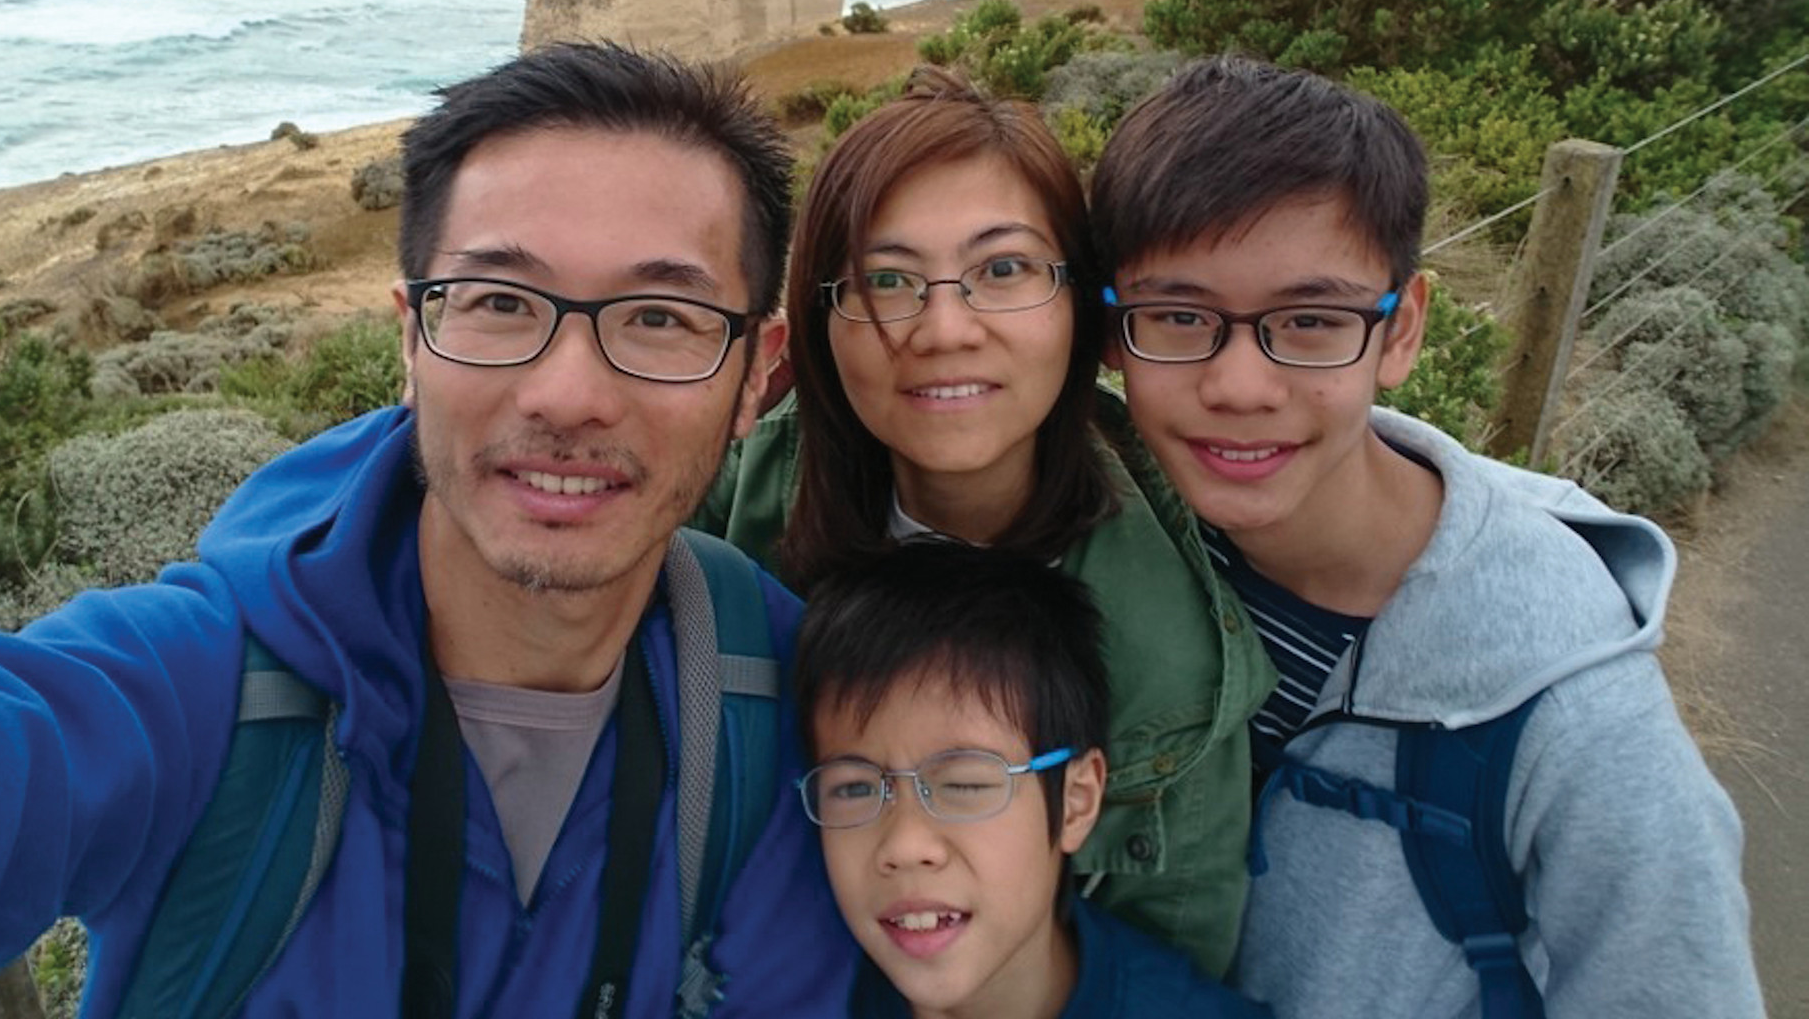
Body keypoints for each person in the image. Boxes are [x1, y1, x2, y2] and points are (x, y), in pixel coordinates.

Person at [0, 42, 858, 1017]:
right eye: (499, 303)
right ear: (409, 339)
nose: (569, 395)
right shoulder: (207, 691)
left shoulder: (796, 719)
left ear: (755, 374)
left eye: (658, 316)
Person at [1092, 55, 1763, 1017]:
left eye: (1312, 319)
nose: (1240, 387)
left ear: (1401, 330)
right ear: (1116, 334)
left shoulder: (1575, 724)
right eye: (1180, 316)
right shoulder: (1106, 540)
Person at [692, 66, 1274, 979]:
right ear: (819, 322)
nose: (946, 328)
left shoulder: (1166, 675)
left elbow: (1160, 970)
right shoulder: (742, 486)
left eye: (1003, 270)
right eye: (887, 279)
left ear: (1080, 304)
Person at [791, 540, 1271, 1019]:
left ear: (1076, 801)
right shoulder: (776, 987)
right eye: (855, 788)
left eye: (965, 784)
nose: (905, 844)